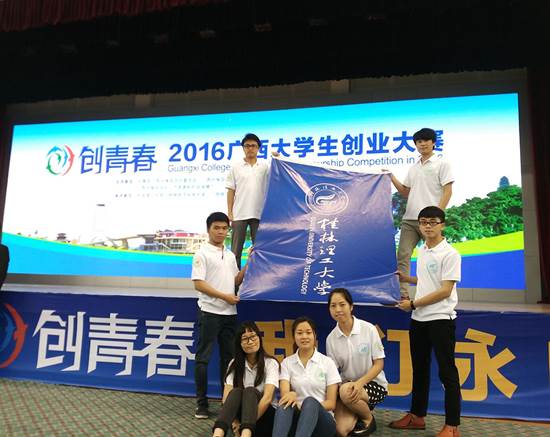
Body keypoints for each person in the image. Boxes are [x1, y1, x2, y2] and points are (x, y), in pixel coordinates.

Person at [390, 206, 462, 437]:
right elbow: (427, 279)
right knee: (419, 370)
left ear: (442, 225)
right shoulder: (422, 250)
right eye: (423, 222)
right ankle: (417, 416)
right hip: (419, 319)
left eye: (433, 222)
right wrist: (406, 278)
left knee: (447, 373)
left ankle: (452, 426)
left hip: (441, 319)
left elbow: (445, 290)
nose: (428, 226)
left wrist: (413, 304)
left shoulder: (450, 254)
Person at [192, 212, 248, 419]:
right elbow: (199, 284)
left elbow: (235, 281)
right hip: (209, 312)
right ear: (208, 229)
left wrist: (249, 263)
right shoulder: (201, 254)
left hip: (230, 313)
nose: (221, 232)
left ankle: (227, 402)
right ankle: (201, 404)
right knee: (203, 359)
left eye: (224, 228)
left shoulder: (231, 255)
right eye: (216, 228)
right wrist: (225, 297)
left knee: (229, 360)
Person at [387, 127, 454, 299]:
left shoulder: (442, 164)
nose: (422, 144)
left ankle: (437, 294)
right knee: (403, 255)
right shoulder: (414, 167)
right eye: (419, 141)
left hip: (430, 221)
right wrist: (391, 176)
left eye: (426, 140)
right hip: (409, 219)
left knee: (435, 257)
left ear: (433, 142)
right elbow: (405, 191)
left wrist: (438, 217)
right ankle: (402, 296)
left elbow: (448, 191)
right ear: (415, 145)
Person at [326, 288, 388, 437]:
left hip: (373, 385)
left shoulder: (369, 329)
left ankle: (368, 419)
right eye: (333, 306)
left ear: (351, 306)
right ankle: (357, 411)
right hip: (347, 388)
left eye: (342, 304)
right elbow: (333, 373)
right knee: (341, 430)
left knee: (347, 391)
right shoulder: (331, 339)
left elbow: (379, 364)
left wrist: (359, 384)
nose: (338, 309)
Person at [272, 316, 341, 437]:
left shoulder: (327, 363)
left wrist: (307, 408)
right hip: (297, 418)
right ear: (294, 337)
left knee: (310, 402)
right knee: (285, 403)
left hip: (322, 422)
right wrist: (291, 395)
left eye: (308, 332)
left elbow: (331, 403)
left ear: (314, 335)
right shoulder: (287, 363)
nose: (304, 336)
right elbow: (285, 394)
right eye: (299, 333)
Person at [212, 321, 279, 437]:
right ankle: (218, 434)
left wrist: (245, 424)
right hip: (240, 418)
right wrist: (235, 423)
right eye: (245, 339)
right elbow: (226, 398)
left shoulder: (271, 363)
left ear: (259, 338)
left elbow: (267, 398)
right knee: (236, 392)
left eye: (253, 336)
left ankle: (246, 434)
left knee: (250, 391)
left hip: (263, 416)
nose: (250, 342)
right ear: (239, 344)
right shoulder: (234, 364)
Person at [226, 133, 269, 269]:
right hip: (239, 213)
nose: (250, 148)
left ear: (258, 148)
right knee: (235, 251)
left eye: (253, 146)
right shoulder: (236, 167)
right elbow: (231, 190)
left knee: (260, 250)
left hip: (260, 213)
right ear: (243, 148)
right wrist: (230, 212)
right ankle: (234, 280)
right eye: (247, 145)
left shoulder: (265, 167)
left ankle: (258, 279)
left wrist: (278, 158)